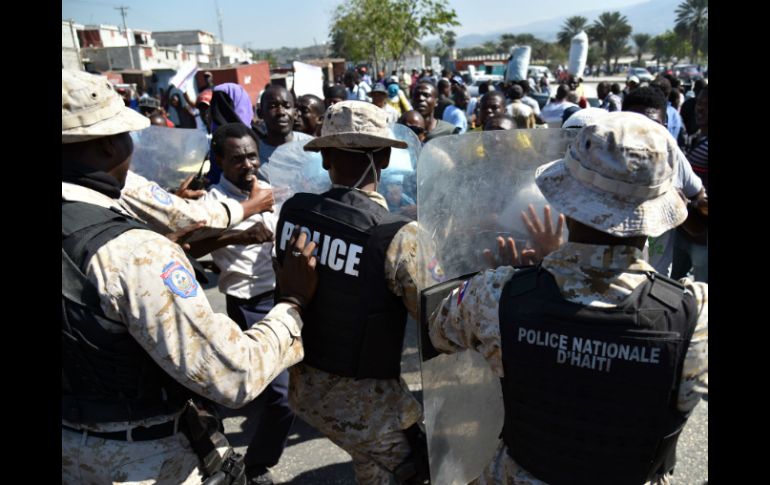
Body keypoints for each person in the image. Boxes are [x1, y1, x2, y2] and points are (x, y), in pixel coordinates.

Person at [62, 68, 318, 484]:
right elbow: (232, 375)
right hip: (141, 460)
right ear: (109, 146)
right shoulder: (134, 253)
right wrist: (294, 303)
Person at [427, 111, 707, 485]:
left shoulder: (494, 294)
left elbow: (439, 333)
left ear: (566, 202)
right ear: (657, 211)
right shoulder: (694, 316)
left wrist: (522, 280)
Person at [275, 100, 431, 484]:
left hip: (304, 389)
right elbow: (440, 321)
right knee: (420, 462)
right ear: (385, 158)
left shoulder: (293, 212)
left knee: (374, 466)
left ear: (326, 158)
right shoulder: (397, 235)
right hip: (368, 407)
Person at [621, 86, 706, 278]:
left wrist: (683, 207)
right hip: (613, 283)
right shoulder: (603, 161)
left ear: (665, 127)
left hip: (656, 285)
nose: (645, 135)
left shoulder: (674, 158)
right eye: (636, 125)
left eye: (654, 126)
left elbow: (698, 195)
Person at [256, 85, 314, 173]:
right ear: (260, 113)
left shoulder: (312, 146)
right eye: (272, 106)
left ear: (295, 113)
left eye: (287, 106)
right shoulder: (255, 155)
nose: (281, 112)